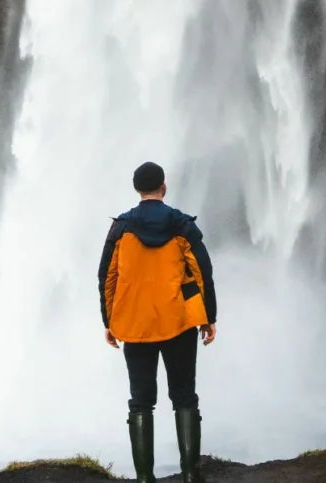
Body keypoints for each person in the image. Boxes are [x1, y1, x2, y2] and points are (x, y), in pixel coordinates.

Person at [98, 161, 217, 483]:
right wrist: (208, 317)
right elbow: (201, 271)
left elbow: (107, 276)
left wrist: (109, 320)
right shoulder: (181, 225)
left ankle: (144, 478)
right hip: (178, 321)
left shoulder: (121, 229)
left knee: (140, 401)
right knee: (184, 395)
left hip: (134, 324)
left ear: (137, 189)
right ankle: (191, 476)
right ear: (163, 187)